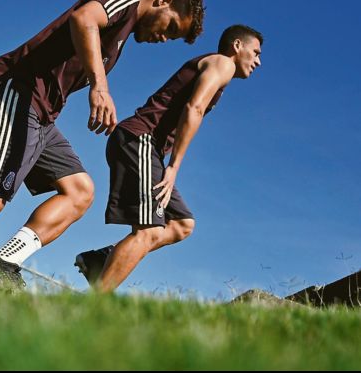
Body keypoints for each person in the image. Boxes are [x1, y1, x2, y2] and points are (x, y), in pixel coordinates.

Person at [0, 0, 206, 290]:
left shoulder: (120, 39)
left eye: (172, 37)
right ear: (163, 0)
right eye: (170, 27)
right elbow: (84, 17)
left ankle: (1, 263)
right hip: (19, 91)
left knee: (79, 191)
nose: (164, 38)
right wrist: (99, 87)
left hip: (42, 115)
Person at [74, 25, 263, 292]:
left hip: (143, 145)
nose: (258, 61)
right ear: (237, 45)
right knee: (149, 229)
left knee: (182, 224)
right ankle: (94, 304)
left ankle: (102, 259)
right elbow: (194, 107)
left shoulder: (217, 66)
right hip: (140, 139)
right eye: (255, 52)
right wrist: (173, 166)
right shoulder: (223, 63)